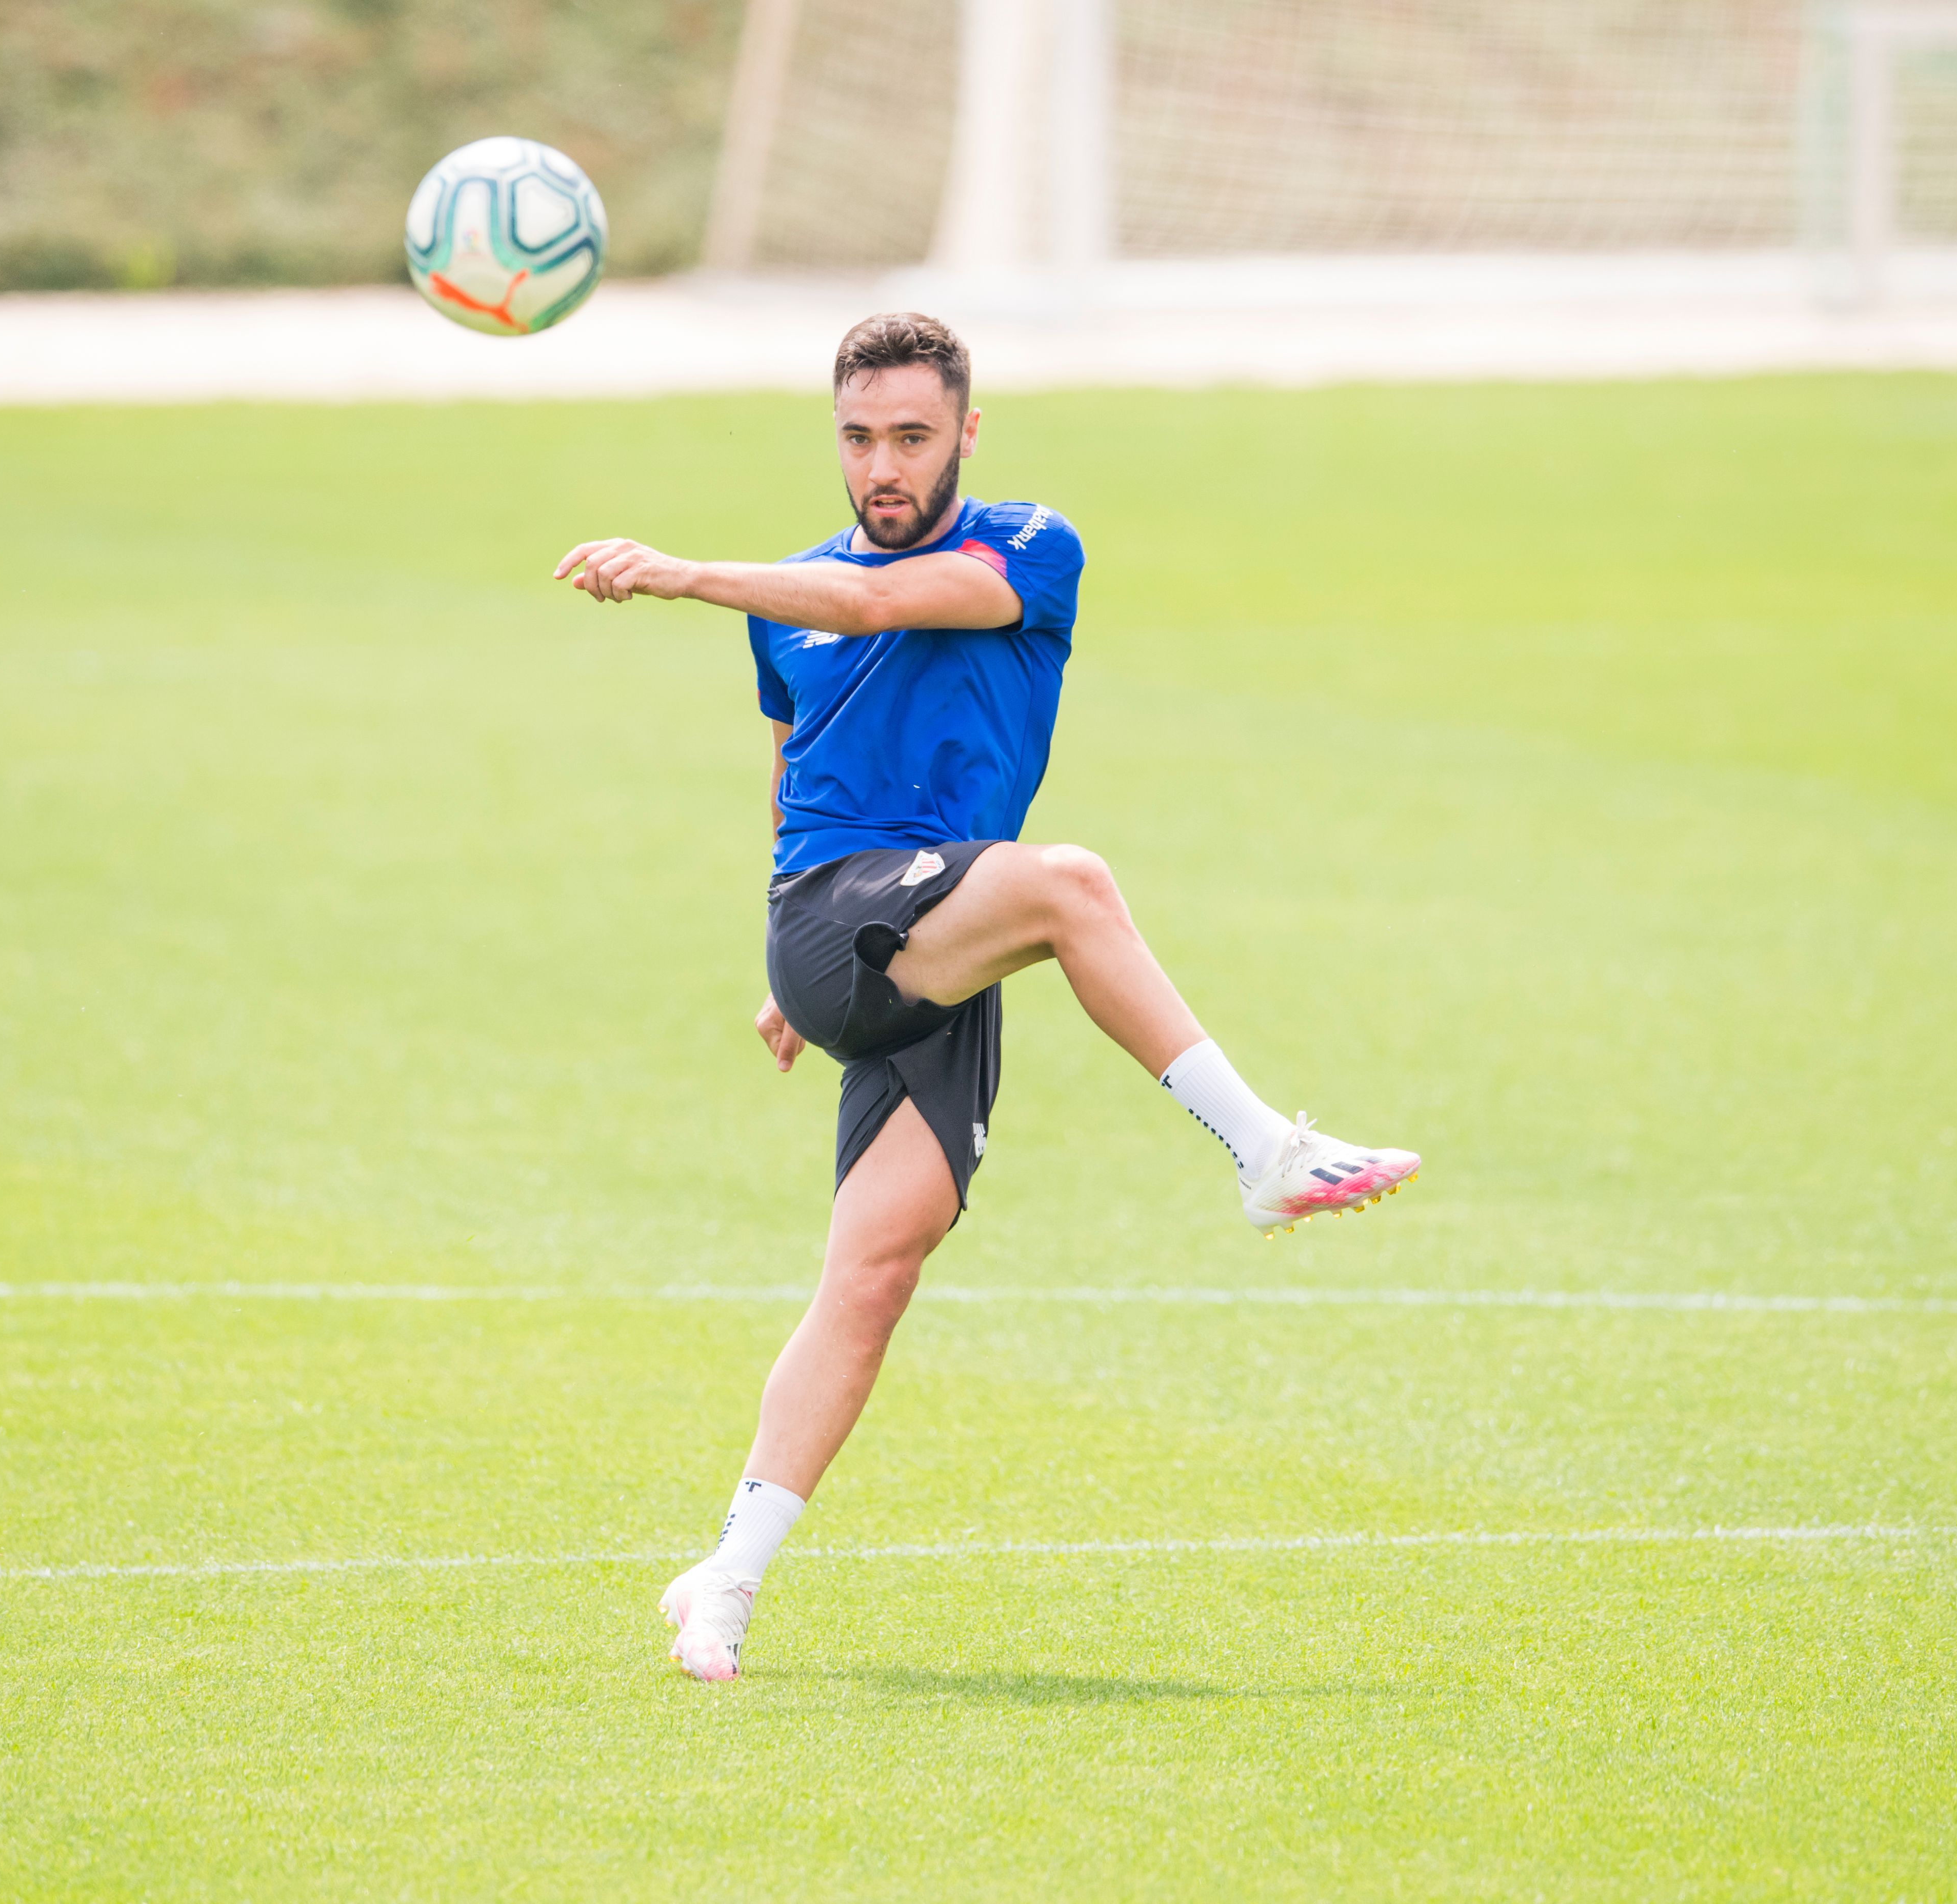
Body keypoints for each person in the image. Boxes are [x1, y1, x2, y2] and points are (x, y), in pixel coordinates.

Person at [553, 311, 1419, 1682]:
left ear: (967, 432)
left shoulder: (1027, 549)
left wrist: (681, 573)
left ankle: (723, 1580)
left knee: (873, 1276)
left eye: (911, 436)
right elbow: (793, 778)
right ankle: (1267, 1151)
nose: (882, 466)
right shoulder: (789, 600)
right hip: (844, 921)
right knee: (1070, 885)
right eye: (858, 438)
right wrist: (795, 975)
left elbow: (879, 604)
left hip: (936, 933)